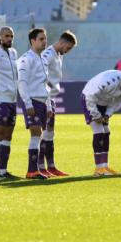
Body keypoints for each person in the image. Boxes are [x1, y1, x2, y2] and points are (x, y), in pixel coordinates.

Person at [82, 71, 121, 176]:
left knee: (106, 132)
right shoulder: (109, 81)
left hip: (103, 104)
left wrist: (107, 115)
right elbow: (90, 96)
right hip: (89, 101)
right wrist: (96, 115)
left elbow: (115, 103)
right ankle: (98, 169)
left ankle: (104, 166)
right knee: (99, 131)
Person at [40, 31, 78, 176]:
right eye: (68, 48)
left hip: (52, 98)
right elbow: (42, 75)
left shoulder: (58, 55)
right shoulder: (47, 54)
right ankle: (40, 167)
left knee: (50, 133)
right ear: (62, 43)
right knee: (43, 133)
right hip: (45, 97)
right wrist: (48, 100)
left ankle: (51, 166)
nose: (67, 52)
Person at [17, 28, 53, 180]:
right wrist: (27, 103)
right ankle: (32, 170)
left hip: (42, 102)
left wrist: (49, 105)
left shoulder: (43, 59)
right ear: (32, 41)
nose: (44, 42)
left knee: (39, 135)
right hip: (32, 101)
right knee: (35, 134)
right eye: (41, 39)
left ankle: (36, 169)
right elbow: (22, 82)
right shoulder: (26, 59)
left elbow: (45, 84)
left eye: (45, 39)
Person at [0, 27, 19, 180]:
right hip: (0, 98)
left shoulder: (13, 53)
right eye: (7, 36)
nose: (9, 39)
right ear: (0, 37)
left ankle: (4, 170)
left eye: (11, 36)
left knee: (8, 135)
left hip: (13, 99)